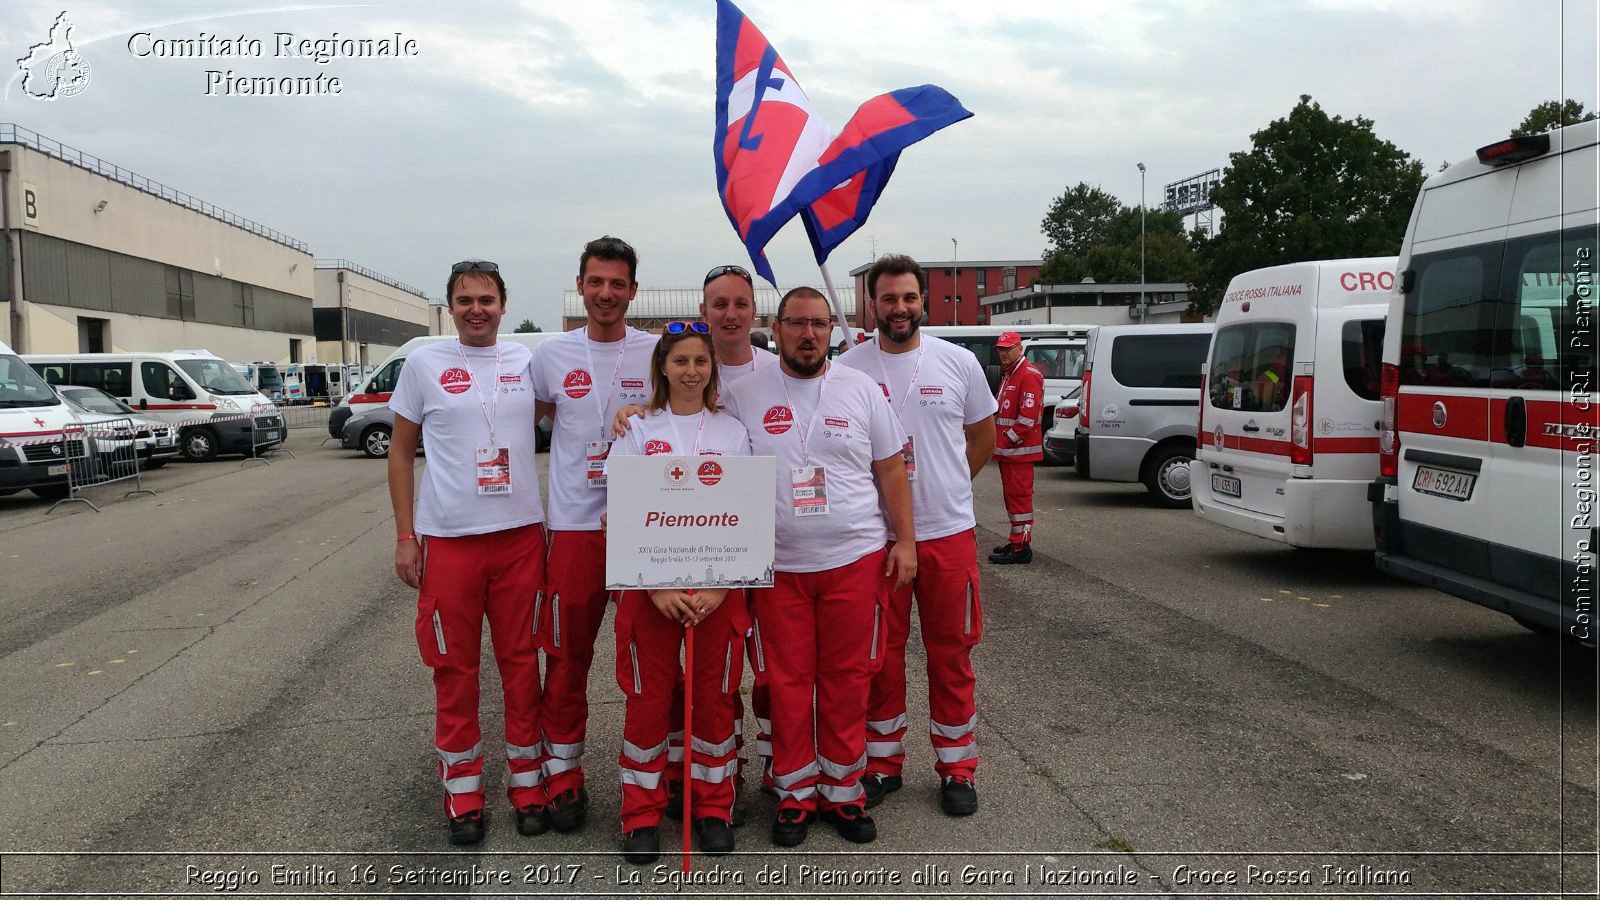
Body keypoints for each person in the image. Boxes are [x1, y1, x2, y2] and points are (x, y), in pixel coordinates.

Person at [721, 287, 917, 847]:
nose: (808, 334)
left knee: (847, 681)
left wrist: (906, 541)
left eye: (818, 324)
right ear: (776, 327)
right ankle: (795, 794)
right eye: (796, 324)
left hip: (853, 558)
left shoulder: (861, 389)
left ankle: (844, 790)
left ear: (832, 328)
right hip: (777, 566)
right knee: (784, 683)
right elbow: (703, 445)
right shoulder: (743, 392)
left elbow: (891, 470)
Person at [387, 259, 548, 845]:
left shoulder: (529, 363)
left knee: (521, 664)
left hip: (520, 537)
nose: (476, 309)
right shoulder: (423, 364)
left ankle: (528, 783)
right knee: (453, 669)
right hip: (450, 541)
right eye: (465, 300)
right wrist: (407, 536)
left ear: (503, 305)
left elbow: (572, 417)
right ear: (450, 306)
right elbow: (400, 454)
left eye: (487, 299)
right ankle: (463, 790)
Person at [612, 264, 779, 825]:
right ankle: (641, 811)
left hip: (718, 591)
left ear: (712, 370)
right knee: (648, 701)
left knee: (713, 700)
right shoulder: (637, 431)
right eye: (679, 360)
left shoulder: (734, 432)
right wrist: (657, 587)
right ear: (662, 366)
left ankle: (713, 808)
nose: (690, 370)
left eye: (700, 361)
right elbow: (622, 517)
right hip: (650, 591)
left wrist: (716, 584)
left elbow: (747, 518)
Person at [837, 254, 995, 817]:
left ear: (923, 300)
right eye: (888, 299)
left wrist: (946, 483)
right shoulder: (848, 368)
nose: (898, 308)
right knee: (881, 655)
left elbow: (981, 437)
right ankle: (882, 762)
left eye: (908, 297)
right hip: (877, 539)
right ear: (871, 304)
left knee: (952, 653)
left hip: (948, 532)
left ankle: (957, 766)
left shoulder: (958, 362)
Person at [529, 236, 657, 832]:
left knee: (647, 664)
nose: (607, 293)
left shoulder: (659, 353)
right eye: (596, 282)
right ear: (580, 285)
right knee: (566, 659)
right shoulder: (550, 357)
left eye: (618, 283)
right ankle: (562, 775)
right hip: (577, 529)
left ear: (633, 289)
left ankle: (657, 781)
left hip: (647, 528)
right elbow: (510, 429)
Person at [990, 332, 1044, 564]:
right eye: (1000, 349)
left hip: (1018, 453)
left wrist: (1005, 441)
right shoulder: (1010, 374)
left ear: (1019, 349)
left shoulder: (1027, 375)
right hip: (1009, 453)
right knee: (1013, 499)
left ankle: (1021, 547)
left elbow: (1027, 419)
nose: (1003, 353)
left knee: (1020, 500)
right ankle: (1016, 541)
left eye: (1008, 349)